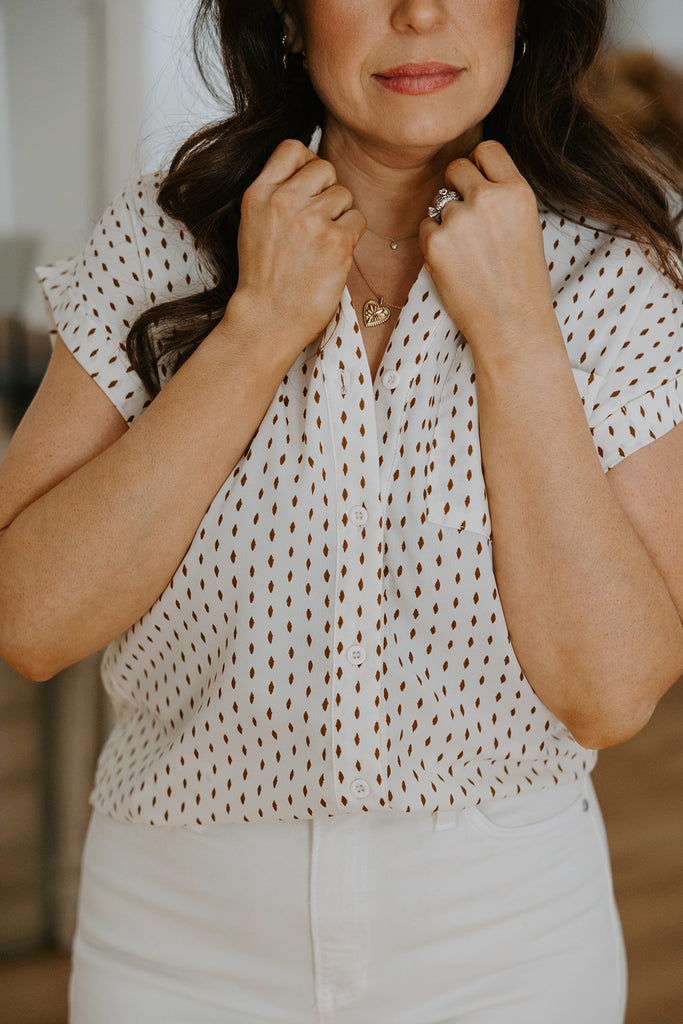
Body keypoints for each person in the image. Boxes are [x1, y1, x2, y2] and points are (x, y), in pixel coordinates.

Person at [1, 1, 682, 1021]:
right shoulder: (163, 235)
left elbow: (610, 694)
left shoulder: (612, 273)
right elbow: (30, 623)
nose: (417, 12)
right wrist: (258, 325)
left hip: (505, 946)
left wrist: (515, 331)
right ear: (286, 12)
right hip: (176, 947)